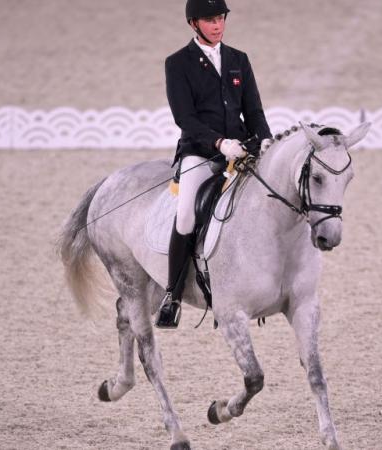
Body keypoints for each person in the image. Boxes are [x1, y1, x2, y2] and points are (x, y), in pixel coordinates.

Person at [155, 0, 272, 329]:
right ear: (193, 23)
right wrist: (219, 143)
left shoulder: (238, 60)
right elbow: (185, 119)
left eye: (220, 18)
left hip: (241, 149)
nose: (218, 25)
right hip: (201, 153)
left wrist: (264, 140)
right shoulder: (178, 64)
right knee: (187, 213)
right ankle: (172, 295)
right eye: (210, 20)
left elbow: (255, 111)